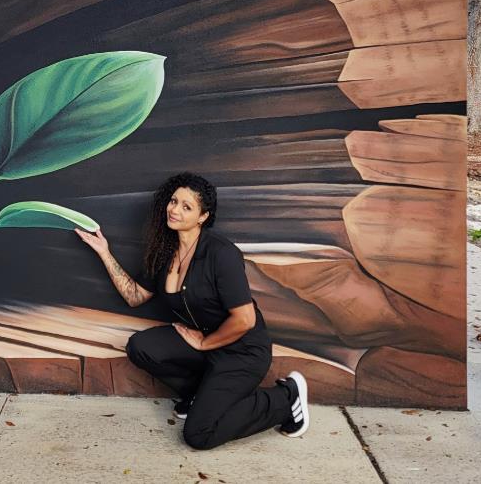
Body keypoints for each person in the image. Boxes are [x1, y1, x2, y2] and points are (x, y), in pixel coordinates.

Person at [75, 172, 309, 450]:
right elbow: (135, 296)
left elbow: (245, 319)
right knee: (141, 346)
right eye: (173, 201)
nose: (174, 209)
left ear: (203, 216)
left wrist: (205, 342)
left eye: (186, 207)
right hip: (203, 344)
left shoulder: (221, 253)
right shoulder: (164, 251)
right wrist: (104, 252)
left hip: (241, 351)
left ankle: (286, 399)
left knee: (199, 435)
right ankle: (199, 395)